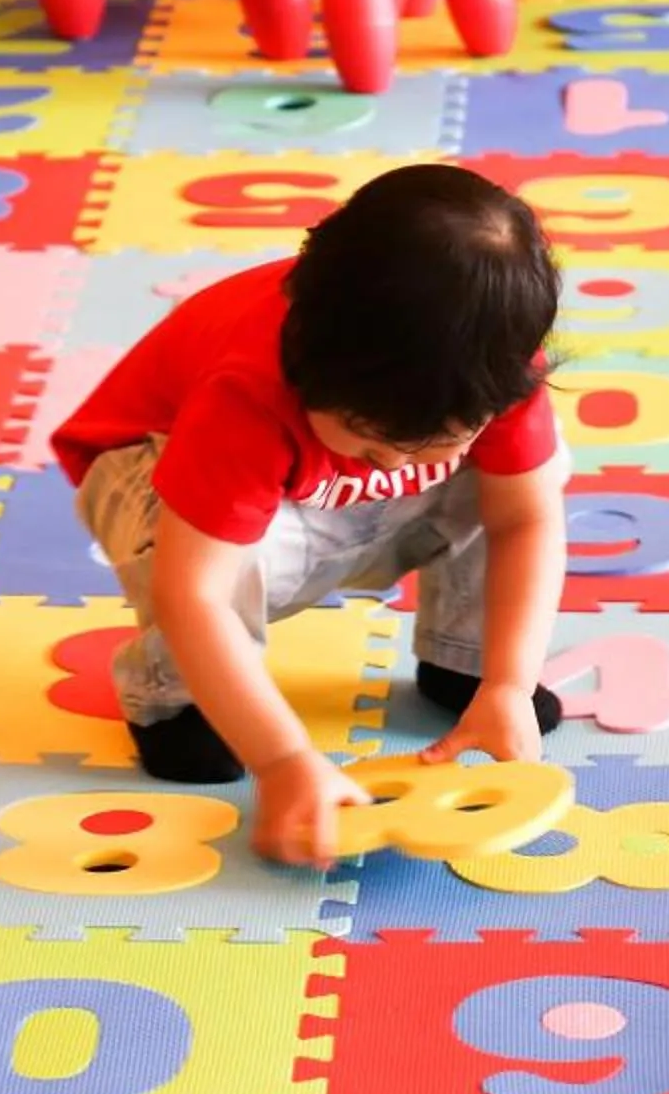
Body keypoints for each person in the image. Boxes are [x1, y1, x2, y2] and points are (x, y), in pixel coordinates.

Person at [51, 163, 570, 870]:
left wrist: (507, 679)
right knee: (226, 565)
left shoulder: (488, 370)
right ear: (309, 367)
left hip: (317, 496)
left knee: (518, 481)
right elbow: (192, 592)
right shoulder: (247, 390)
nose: (391, 468)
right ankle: (172, 699)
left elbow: (525, 521)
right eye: (370, 442)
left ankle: (464, 657)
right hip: (156, 475)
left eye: (441, 441)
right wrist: (285, 758)